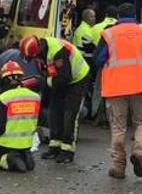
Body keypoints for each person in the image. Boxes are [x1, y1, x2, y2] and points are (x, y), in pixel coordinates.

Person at [95, 2, 142, 179]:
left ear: (118, 17)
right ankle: (138, 151)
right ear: (135, 16)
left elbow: (98, 59)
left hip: (115, 88)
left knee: (118, 127)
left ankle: (119, 167)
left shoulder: (108, 34)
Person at [20, 34, 90, 163]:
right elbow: (49, 75)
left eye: (34, 56)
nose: (34, 59)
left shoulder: (58, 52)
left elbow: (65, 78)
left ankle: (67, 151)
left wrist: (43, 83)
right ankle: (55, 147)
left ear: (38, 48)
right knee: (54, 111)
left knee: (69, 114)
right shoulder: (41, 52)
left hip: (77, 80)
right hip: (59, 80)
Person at [0, 61, 41, 173]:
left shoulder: (4, 98)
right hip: (27, 144)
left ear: (4, 80)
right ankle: (24, 156)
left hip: (5, 144)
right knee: (20, 150)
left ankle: (7, 159)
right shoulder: (35, 97)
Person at [73, 7, 100, 120]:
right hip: (85, 62)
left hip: (81, 61)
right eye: (91, 16)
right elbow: (91, 49)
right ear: (86, 17)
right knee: (88, 89)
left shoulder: (83, 28)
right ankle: (87, 113)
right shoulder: (85, 30)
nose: (94, 18)